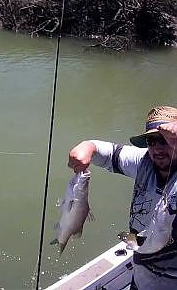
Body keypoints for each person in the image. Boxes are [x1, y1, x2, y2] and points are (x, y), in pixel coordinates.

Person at [68, 105, 177, 290]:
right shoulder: (144, 161)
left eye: (165, 141)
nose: (158, 148)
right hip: (142, 273)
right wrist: (87, 147)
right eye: (152, 141)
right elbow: (107, 152)